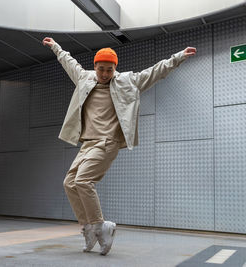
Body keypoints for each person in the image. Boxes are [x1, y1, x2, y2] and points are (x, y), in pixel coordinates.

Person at [42, 37, 196, 256]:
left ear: (116, 68)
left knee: (83, 180)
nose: (105, 74)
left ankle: (101, 226)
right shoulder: (84, 78)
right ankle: (88, 228)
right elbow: (69, 62)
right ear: (94, 67)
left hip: (107, 142)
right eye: (101, 69)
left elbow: (155, 72)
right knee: (69, 183)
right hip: (87, 144)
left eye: (110, 70)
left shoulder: (127, 81)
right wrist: (56, 47)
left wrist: (178, 57)